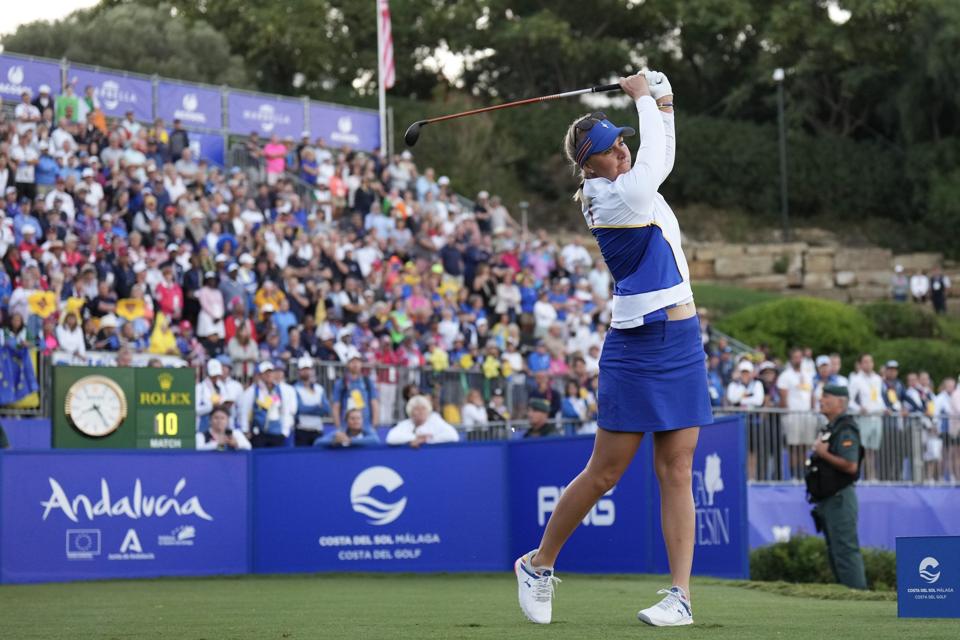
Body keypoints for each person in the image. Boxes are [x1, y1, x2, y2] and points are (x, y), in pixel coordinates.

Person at [515, 70, 711, 628]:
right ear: (588, 165)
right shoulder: (613, 197)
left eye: (623, 141)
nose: (622, 151)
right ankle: (538, 564)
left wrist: (665, 104)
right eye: (609, 149)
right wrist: (646, 98)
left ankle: (681, 597)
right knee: (605, 472)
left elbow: (660, 155)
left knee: (677, 469)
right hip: (636, 345)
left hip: (682, 340)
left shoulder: (631, 182)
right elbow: (656, 167)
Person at [805, 385, 867, 590]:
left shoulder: (846, 428)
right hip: (828, 498)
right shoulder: (831, 428)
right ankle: (846, 595)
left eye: (826, 397)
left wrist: (823, 453)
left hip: (840, 498)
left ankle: (859, 597)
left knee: (845, 551)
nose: (821, 400)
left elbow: (851, 465)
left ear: (840, 402)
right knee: (835, 550)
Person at [385, 394, 460, 447]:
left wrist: (427, 440)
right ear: (410, 412)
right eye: (416, 409)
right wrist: (414, 438)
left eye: (423, 408)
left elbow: (453, 436)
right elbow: (390, 438)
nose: (420, 412)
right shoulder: (406, 424)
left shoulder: (435, 420)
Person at [292, 355, 330, 447]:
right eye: (303, 369)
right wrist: (317, 407)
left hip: (317, 429)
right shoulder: (294, 389)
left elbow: (327, 409)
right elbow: (299, 409)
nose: (306, 371)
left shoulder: (319, 388)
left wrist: (309, 408)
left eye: (308, 369)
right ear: (299, 371)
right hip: (302, 430)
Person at [315, 407, 380, 448]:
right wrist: (334, 441)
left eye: (358, 418)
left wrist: (350, 441)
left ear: (362, 420)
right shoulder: (341, 431)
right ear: (346, 421)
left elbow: (376, 440)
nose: (356, 421)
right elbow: (317, 442)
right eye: (352, 418)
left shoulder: (366, 430)